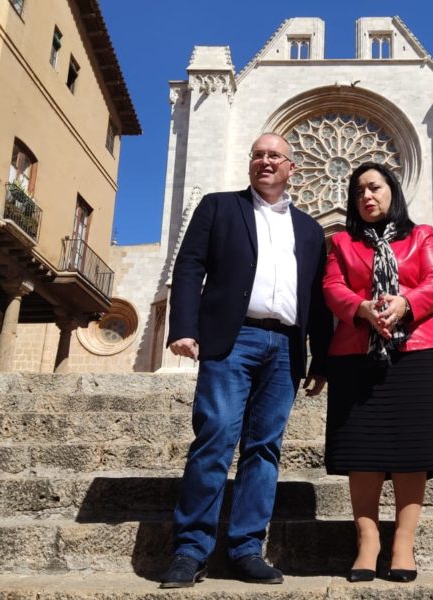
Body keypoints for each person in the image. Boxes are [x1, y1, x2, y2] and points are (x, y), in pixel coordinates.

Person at [161, 133, 332, 588]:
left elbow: (317, 295)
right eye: (258, 155)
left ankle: (245, 549)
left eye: (275, 155)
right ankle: (190, 549)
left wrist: (323, 359)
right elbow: (189, 265)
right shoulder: (219, 207)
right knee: (215, 436)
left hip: (286, 349)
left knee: (264, 448)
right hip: (231, 339)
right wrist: (183, 326)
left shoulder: (311, 230)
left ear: (292, 167)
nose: (265, 161)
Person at [322, 162, 433, 583]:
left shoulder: (421, 235)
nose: (367, 197)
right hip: (356, 352)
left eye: (374, 187)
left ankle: (403, 544)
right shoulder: (341, 242)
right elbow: (332, 287)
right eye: (358, 192)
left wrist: (405, 304)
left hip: (416, 351)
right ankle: (368, 541)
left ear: (392, 189)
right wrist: (361, 308)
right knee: (363, 451)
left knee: (413, 451)